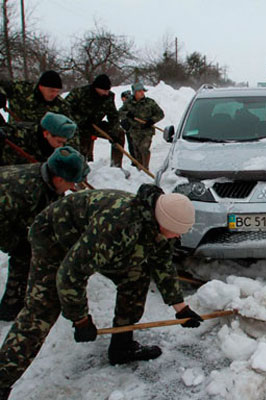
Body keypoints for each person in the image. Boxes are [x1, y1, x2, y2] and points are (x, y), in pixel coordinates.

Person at [0, 184, 204, 399]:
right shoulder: (118, 226)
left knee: (136, 277)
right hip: (54, 238)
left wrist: (180, 307)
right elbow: (71, 274)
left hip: (94, 243)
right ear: (164, 222)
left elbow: (162, 264)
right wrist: (81, 320)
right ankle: (3, 379)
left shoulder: (157, 225)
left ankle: (121, 347)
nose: (177, 237)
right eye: (177, 232)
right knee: (42, 312)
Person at [0, 146, 89, 321]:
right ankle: (11, 305)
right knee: (23, 250)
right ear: (58, 178)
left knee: (27, 246)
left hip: (7, 215)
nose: (73, 187)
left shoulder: (46, 181)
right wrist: (14, 243)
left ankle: (13, 301)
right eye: (71, 182)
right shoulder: (24, 190)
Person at [0, 71, 73, 145]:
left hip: (42, 149)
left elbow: (69, 132)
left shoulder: (62, 106)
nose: (54, 94)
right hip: (14, 141)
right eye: (51, 91)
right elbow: (2, 84)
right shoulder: (22, 90)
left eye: (57, 91)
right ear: (41, 87)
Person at [65, 74, 122, 165]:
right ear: (96, 87)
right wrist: (81, 120)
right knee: (82, 150)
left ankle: (116, 166)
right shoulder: (79, 93)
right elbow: (65, 111)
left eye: (108, 90)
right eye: (104, 90)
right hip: (78, 127)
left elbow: (113, 116)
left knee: (119, 133)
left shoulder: (108, 97)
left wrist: (114, 131)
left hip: (96, 125)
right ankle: (79, 170)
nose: (106, 93)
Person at [0, 112, 77, 167]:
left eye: (63, 142)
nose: (61, 146)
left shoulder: (57, 143)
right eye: (59, 142)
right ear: (46, 134)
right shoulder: (18, 134)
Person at [118, 83, 164, 169]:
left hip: (147, 131)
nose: (142, 93)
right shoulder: (129, 103)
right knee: (137, 151)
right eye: (139, 91)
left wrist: (151, 121)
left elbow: (160, 114)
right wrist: (127, 115)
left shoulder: (150, 102)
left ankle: (145, 168)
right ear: (134, 92)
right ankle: (139, 169)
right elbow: (120, 112)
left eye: (143, 91)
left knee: (144, 148)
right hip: (134, 131)